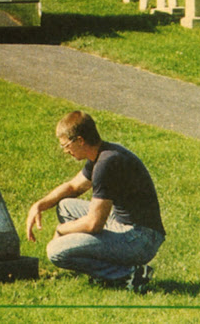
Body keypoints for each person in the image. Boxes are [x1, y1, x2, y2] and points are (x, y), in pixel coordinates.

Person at [26, 111, 165, 293]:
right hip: (128, 225)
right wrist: (39, 206)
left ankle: (128, 274)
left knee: (56, 251)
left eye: (66, 145)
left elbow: (94, 224)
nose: (66, 151)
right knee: (65, 205)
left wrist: (62, 230)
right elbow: (73, 187)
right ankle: (92, 259)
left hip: (141, 239)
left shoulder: (106, 165)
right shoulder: (103, 153)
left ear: (80, 140)